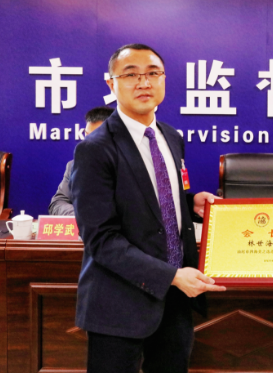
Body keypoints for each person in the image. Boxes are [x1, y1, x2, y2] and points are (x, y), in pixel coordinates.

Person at [70, 43, 226, 373]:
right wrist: (171, 276)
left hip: (175, 301)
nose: (144, 82)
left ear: (164, 80)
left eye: (153, 73)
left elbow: (155, 200)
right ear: (111, 84)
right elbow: (101, 239)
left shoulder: (171, 137)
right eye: (131, 75)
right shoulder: (94, 149)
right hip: (119, 302)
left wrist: (190, 203)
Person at [48, 106, 114, 216]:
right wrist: (81, 216)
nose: (89, 142)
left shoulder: (132, 167)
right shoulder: (74, 166)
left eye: (97, 137)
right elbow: (58, 203)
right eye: (87, 135)